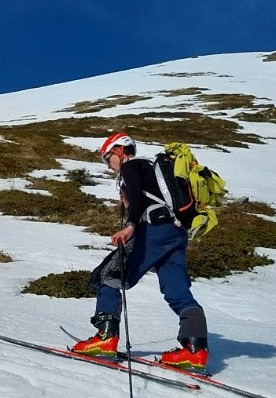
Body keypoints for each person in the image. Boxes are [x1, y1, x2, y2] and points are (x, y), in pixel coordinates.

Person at [70, 132, 209, 370]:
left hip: (153, 231)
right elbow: (139, 198)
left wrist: (131, 226)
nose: (109, 166)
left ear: (119, 151)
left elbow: (136, 196)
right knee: (177, 291)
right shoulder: (152, 169)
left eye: (107, 159)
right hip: (176, 233)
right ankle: (194, 351)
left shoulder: (132, 166)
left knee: (110, 275)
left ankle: (105, 339)